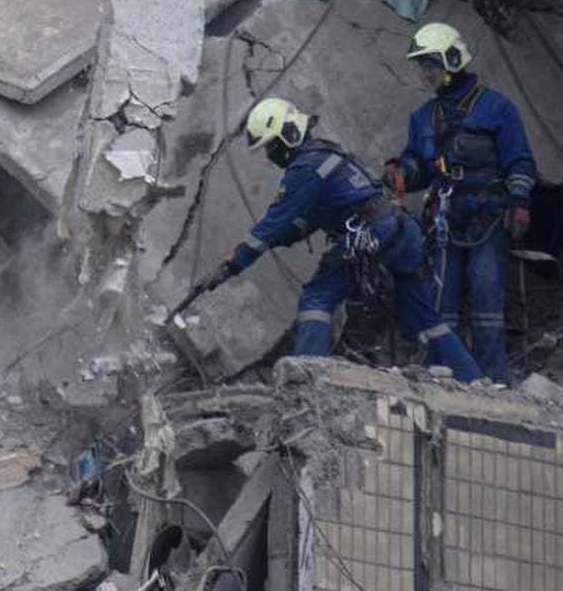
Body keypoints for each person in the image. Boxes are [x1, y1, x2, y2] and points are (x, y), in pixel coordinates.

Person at [178, 96, 480, 381]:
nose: (271, 156)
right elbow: (312, 216)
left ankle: (306, 380)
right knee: (423, 313)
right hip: (401, 231)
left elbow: (271, 226)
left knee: (317, 297)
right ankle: (472, 380)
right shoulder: (327, 153)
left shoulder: (304, 168)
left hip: (369, 234)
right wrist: (288, 234)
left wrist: (229, 266)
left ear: (289, 134)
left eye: (272, 147)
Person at [386, 21, 535, 383]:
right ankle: (445, 376)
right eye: (423, 66)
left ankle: (492, 378)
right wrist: (402, 172)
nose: (426, 74)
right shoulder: (422, 118)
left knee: (486, 294)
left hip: (488, 215)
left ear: (452, 60)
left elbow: (521, 160)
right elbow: (419, 167)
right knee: (441, 301)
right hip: (445, 219)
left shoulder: (497, 108)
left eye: (430, 65)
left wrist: (519, 202)